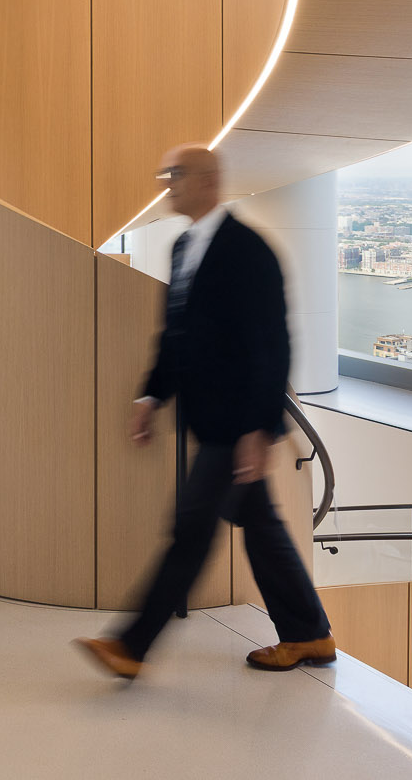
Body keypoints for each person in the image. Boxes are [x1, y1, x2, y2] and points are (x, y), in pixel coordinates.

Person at [74, 143, 334, 680]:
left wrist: (259, 429)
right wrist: (150, 397)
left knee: (191, 530)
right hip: (208, 418)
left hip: (235, 427)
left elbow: (273, 346)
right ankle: (309, 633)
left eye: (176, 173)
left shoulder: (250, 250)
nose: (167, 183)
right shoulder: (182, 247)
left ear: (209, 181)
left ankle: (131, 647)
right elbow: (177, 336)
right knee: (261, 527)